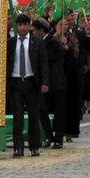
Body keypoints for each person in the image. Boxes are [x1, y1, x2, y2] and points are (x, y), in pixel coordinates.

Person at [6, 14, 50, 158]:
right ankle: (18, 147)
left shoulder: (37, 42)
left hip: (32, 82)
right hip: (16, 82)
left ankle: (34, 146)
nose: (23, 27)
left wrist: (45, 82)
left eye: (25, 25)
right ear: (16, 26)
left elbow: (44, 63)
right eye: (20, 25)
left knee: (33, 115)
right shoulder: (11, 43)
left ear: (29, 26)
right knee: (17, 116)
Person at [34, 19, 66, 149]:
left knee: (58, 112)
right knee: (41, 109)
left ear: (41, 30)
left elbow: (47, 60)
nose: (33, 32)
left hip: (56, 82)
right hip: (43, 83)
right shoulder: (38, 43)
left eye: (35, 30)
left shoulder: (53, 43)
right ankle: (48, 135)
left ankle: (58, 139)